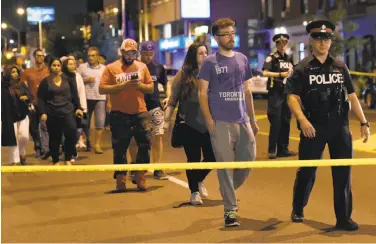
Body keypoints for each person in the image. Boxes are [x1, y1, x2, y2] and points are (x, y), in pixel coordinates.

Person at [286, 20, 371, 231]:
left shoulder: (340, 67)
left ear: (330, 41)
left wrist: (363, 121)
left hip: (339, 126)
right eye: (318, 38)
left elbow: (351, 96)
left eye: (326, 39)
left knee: (343, 173)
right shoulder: (303, 68)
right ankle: (298, 207)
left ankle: (343, 218)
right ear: (311, 41)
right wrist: (302, 120)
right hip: (312, 126)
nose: (322, 43)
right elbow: (292, 97)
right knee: (307, 170)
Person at [197, 18, 258, 227]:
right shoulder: (209, 62)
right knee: (225, 166)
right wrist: (209, 121)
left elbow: (247, 90)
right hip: (220, 122)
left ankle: (227, 189)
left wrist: (253, 119)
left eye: (233, 33)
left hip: (242, 120)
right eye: (226, 34)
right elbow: (202, 93)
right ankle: (230, 211)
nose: (231, 37)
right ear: (217, 38)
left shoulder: (242, 59)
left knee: (249, 159)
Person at [99, 38, 154, 192]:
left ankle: (140, 175)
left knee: (145, 145)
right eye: (127, 52)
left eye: (133, 52)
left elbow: (150, 87)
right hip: (119, 114)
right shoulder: (111, 68)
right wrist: (121, 86)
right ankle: (120, 179)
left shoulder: (142, 67)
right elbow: (102, 89)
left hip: (140, 112)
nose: (130, 55)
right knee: (119, 148)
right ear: (122, 52)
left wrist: (141, 86)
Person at [165, 42, 215, 205]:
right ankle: (194, 192)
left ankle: (198, 179)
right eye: (200, 53)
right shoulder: (183, 74)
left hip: (208, 123)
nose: (204, 56)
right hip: (189, 123)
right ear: (193, 55)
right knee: (193, 158)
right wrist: (166, 120)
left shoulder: (212, 73)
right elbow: (172, 100)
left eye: (206, 53)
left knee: (213, 157)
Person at [128, 41, 169, 180]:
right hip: (136, 106)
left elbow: (165, 83)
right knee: (134, 137)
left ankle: (157, 167)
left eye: (151, 54)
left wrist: (168, 97)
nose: (148, 57)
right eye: (145, 54)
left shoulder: (158, 67)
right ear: (140, 53)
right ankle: (134, 165)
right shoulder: (134, 66)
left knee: (158, 135)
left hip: (155, 105)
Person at [37, 58, 83, 165]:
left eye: (58, 65)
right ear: (50, 67)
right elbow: (40, 99)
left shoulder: (68, 79)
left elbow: (75, 95)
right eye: (54, 65)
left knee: (71, 132)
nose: (56, 67)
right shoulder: (45, 82)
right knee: (54, 137)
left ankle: (67, 158)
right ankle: (55, 160)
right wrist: (42, 113)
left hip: (68, 111)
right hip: (52, 112)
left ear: (61, 67)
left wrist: (78, 108)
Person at [263, 33, 296, 159]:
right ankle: (272, 150)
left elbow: (292, 73)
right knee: (275, 122)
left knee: (286, 121)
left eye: (284, 43)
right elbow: (265, 72)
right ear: (276, 44)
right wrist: (280, 75)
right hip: (275, 94)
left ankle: (283, 149)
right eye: (279, 43)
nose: (282, 46)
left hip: (286, 93)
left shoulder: (289, 58)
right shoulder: (272, 58)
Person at [21, 49, 50, 159]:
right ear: (34, 57)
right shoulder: (27, 72)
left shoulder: (48, 71)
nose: (40, 58)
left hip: (45, 103)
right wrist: (26, 100)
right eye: (38, 56)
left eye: (42, 56)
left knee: (45, 126)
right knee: (32, 128)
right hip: (32, 104)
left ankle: (45, 148)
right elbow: (23, 87)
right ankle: (37, 146)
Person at [77, 47, 106, 153]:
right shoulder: (82, 67)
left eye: (93, 55)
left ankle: (97, 144)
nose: (91, 58)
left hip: (100, 98)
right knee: (85, 122)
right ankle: (88, 141)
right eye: (89, 55)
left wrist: (109, 101)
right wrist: (86, 80)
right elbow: (76, 81)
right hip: (86, 98)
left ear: (98, 56)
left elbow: (107, 83)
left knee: (100, 122)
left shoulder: (104, 68)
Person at [1, 65, 31, 165]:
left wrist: (26, 98)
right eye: (13, 72)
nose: (15, 74)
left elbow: (29, 96)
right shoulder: (3, 86)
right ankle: (14, 161)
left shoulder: (21, 84)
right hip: (9, 117)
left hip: (22, 114)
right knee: (12, 138)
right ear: (8, 73)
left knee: (24, 137)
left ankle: (22, 153)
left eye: (16, 72)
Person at [62, 57, 88, 161]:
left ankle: (71, 149)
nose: (72, 66)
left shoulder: (77, 76)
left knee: (78, 130)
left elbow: (81, 92)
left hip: (77, 107)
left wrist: (83, 107)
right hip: (65, 107)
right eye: (70, 64)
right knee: (68, 131)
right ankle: (69, 153)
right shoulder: (62, 77)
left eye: (74, 64)